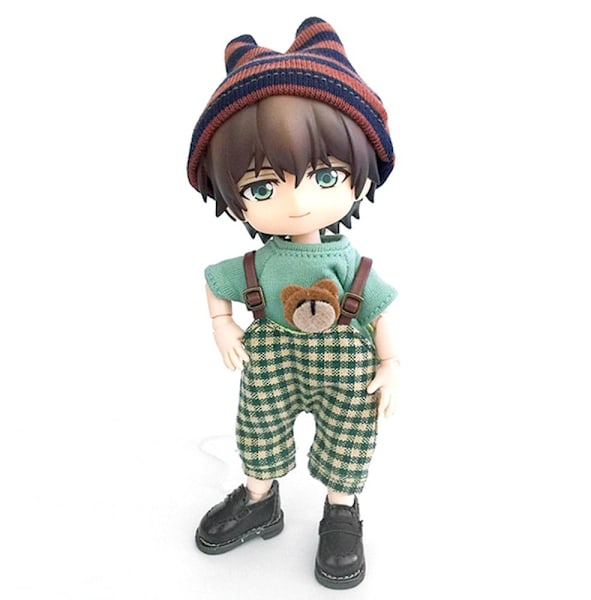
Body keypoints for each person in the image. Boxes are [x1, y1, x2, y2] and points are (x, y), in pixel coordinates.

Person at [186, 16, 400, 589]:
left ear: (362, 171)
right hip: (271, 362)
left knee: (349, 438)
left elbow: (379, 308)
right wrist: (221, 325)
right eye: (261, 187)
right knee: (258, 430)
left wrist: (392, 362)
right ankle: (261, 500)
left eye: (325, 176)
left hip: (346, 368)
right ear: (231, 193)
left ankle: (340, 511)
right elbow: (216, 284)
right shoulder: (256, 265)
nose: (298, 201)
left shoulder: (351, 264)